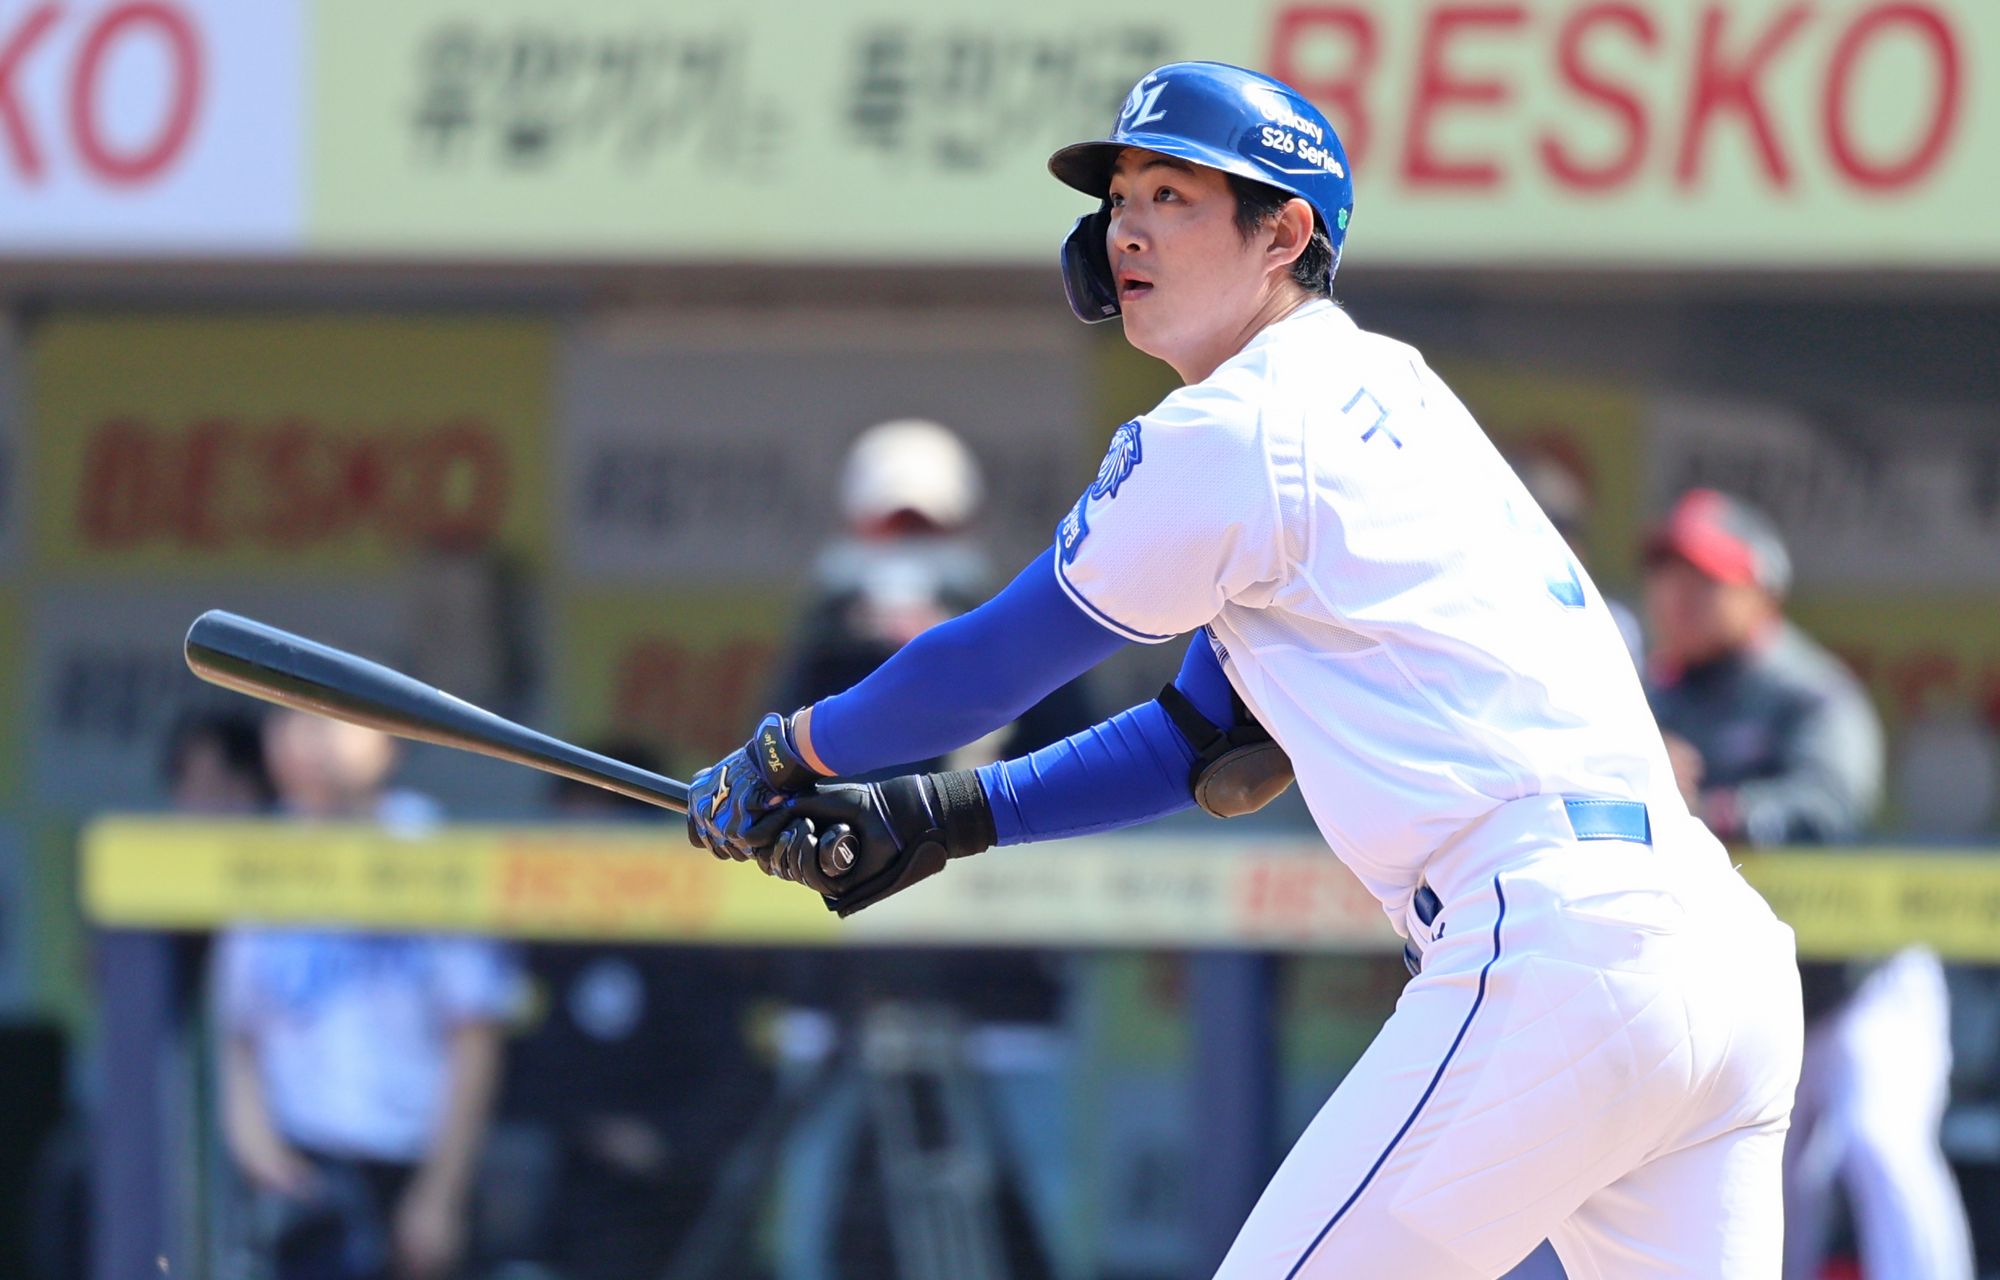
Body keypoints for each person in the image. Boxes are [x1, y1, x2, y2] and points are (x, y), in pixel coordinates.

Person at [685, 62, 1802, 1277]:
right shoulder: (1378, 386)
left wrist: (786, 751)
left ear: (1282, 235)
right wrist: (946, 813)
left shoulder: (1238, 425)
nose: (1126, 231)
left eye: (1172, 196)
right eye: (1119, 199)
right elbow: (1204, 737)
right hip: (1711, 954)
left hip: (1554, 942)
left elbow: (989, 664)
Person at [1642, 488, 1973, 1280]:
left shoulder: (1808, 689)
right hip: (1756, 997)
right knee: (1761, 1202)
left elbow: (1833, 809)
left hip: (1862, 987)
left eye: (1706, 578)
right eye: (1668, 575)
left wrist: (1716, 807)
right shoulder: (1650, 697)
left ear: (1761, 589)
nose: (1680, 595)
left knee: (1881, 1147)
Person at [215, 710, 520, 1280]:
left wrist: (441, 1193)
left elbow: (476, 1037)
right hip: (305, 1163)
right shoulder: (263, 853)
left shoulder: (431, 846)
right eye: (290, 721)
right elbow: (240, 1032)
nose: (305, 742)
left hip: (413, 1161)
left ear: (388, 739)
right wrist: (258, 1149)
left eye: (328, 722)